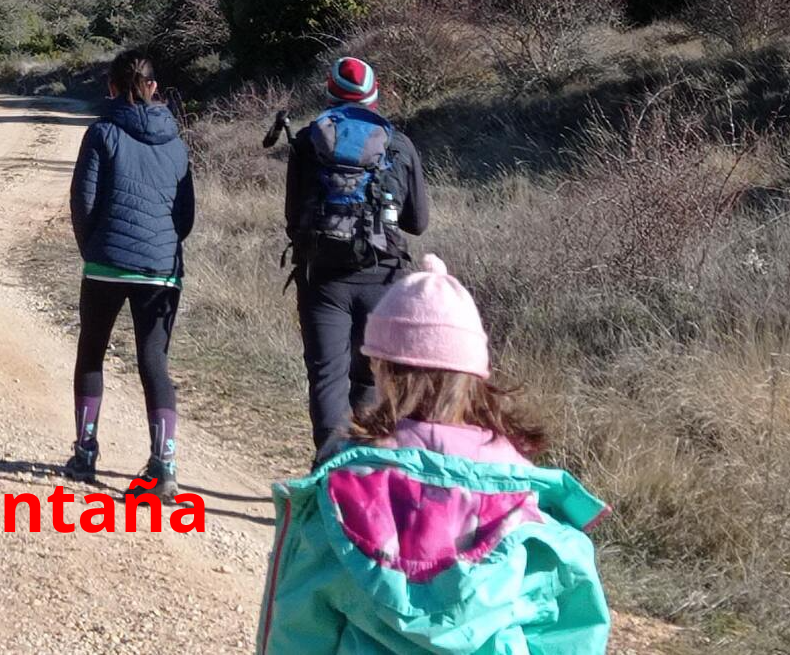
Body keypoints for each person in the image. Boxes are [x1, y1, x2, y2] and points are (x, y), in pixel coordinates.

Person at [255, 256, 611, 654]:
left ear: (381, 370)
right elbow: (570, 635)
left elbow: (299, 628)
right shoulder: (533, 508)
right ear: (476, 375)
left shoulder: (342, 497)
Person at [284, 57, 430, 457]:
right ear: (375, 94)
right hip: (383, 278)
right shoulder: (398, 144)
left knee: (327, 376)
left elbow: (293, 217)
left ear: (330, 93)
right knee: (369, 376)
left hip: (323, 278)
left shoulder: (307, 141)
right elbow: (418, 222)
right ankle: (361, 472)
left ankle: (327, 468)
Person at [65, 49, 194, 502]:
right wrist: (160, 248)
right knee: (153, 361)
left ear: (112, 87)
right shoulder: (176, 143)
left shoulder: (101, 132)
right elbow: (186, 217)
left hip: (105, 263)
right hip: (161, 270)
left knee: (92, 353)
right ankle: (164, 466)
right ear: (154, 87)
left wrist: (94, 250)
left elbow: (83, 202)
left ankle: (85, 452)